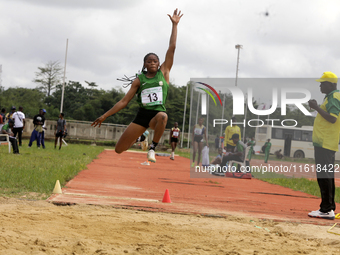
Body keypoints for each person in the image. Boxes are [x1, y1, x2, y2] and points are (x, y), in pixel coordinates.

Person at [91, 9, 183, 163]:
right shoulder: (139, 80)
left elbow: (172, 48)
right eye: (149, 61)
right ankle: (142, 136)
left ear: (159, 63)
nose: (152, 63)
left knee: (163, 116)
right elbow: (124, 102)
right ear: (144, 64)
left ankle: (152, 148)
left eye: (155, 61)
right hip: (142, 115)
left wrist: (174, 25)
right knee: (119, 149)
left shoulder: (164, 72)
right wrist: (105, 115)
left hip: (157, 116)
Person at [307, 71, 340, 220]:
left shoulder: (334, 97)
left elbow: (332, 119)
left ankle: (326, 209)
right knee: (326, 175)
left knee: (324, 175)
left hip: (325, 143)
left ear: (331, 84)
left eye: (323, 83)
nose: (320, 86)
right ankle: (329, 208)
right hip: (325, 142)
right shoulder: (331, 97)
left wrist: (316, 107)